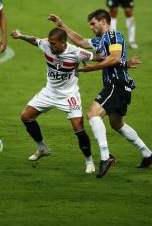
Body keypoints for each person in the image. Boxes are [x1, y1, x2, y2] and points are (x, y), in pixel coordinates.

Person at [49, 9, 152, 178]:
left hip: (116, 85)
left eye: (93, 23)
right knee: (117, 124)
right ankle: (147, 154)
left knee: (92, 114)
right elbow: (81, 41)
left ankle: (106, 157)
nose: (91, 27)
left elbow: (114, 57)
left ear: (103, 21)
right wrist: (62, 25)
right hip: (121, 86)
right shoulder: (101, 40)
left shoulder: (113, 35)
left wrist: (92, 68)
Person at [11, 27, 106, 173]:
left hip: (69, 96)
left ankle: (89, 161)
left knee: (78, 128)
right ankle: (42, 148)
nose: (50, 46)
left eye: (54, 43)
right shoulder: (46, 45)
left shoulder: (77, 52)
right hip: (49, 92)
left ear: (63, 42)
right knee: (26, 117)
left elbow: (98, 58)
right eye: (50, 43)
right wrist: (21, 36)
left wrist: (120, 61)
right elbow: (35, 40)